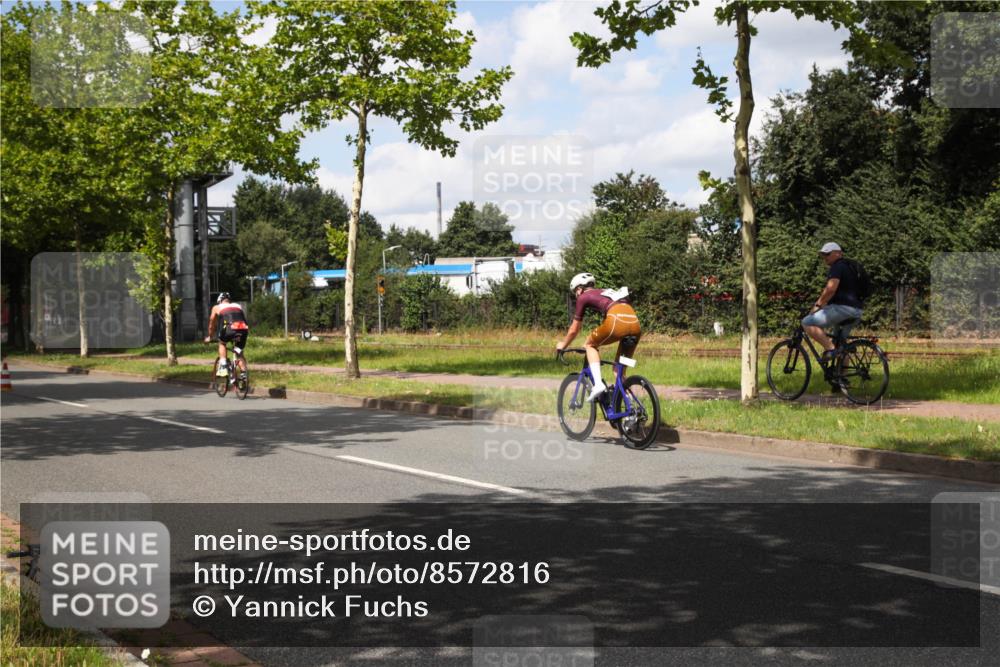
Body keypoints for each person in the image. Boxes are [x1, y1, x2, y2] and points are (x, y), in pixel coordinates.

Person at [555, 272, 641, 402]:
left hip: (616, 320)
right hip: (635, 324)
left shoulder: (583, 296)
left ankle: (598, 385)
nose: (576, 295)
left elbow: (574, 329)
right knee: (618, 370)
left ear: (580, 288)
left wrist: (563, 344)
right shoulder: (606, 292)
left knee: (590, 344)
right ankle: (630, 405)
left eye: (575, 292)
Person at [802, 242, 863, 363]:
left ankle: (831, 350)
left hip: (843, 309)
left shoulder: (837, 266)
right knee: (841, 346)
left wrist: (818, 305)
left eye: (828, 254)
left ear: (838, 253)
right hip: (857, 310)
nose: (825, 257)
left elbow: (830, 289)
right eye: (823, 255)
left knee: (807, 322)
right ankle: (843, 374)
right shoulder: (850, 267)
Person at [204, 293, 249, 379]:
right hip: (243, 330)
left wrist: (210, 337)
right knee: (238, 351)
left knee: (222, 343)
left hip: (230, 329)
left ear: (219, 301)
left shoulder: (217, 307)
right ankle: (244, 374)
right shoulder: (238, 306)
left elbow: (211, 324)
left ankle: (223, 366)